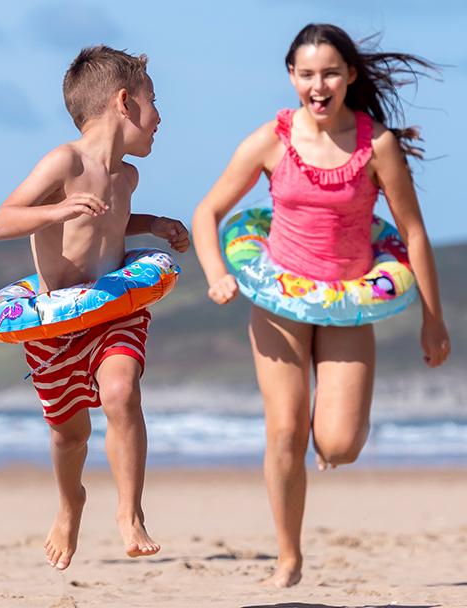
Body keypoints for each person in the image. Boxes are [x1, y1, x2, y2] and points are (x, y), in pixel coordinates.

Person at [191, 24, 451, 588]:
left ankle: (329, 436)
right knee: (285, 431)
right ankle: (288, 557)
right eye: (306, 74)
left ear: (350, 76)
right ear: (291, 76)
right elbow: (207, 213)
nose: (318, 84)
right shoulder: (270, 140)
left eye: (330, 72)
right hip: (279, 295)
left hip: (348, 299)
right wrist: (216, 274)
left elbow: (415, 233)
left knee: (339, 444)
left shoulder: (376, 145)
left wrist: (434, 319)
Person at [0, 45, 190, 571]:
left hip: (114, 310)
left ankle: (130, 512)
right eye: (153, 101)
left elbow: (109, 223)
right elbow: (2, 221)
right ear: (124, 103)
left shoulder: (127, 178)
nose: (159, 116)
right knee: (68, 433)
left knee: (121, 391)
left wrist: (154, 225)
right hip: (55, 322)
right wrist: (57, 207)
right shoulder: (64, 162)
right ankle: (70, 500)